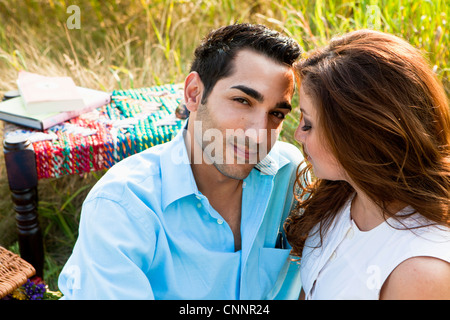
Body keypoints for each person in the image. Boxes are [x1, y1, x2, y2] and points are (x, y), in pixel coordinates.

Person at [58, 23, 304, 299]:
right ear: (194, 94)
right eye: (242, 101)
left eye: (277, 114)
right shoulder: (122, 206)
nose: (259, 134)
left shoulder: (289, 174)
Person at [285, 29, 450, 300]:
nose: (297, 135)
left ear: (357, 136)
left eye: (309, 124)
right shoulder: (337, 197)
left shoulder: (421, 272)